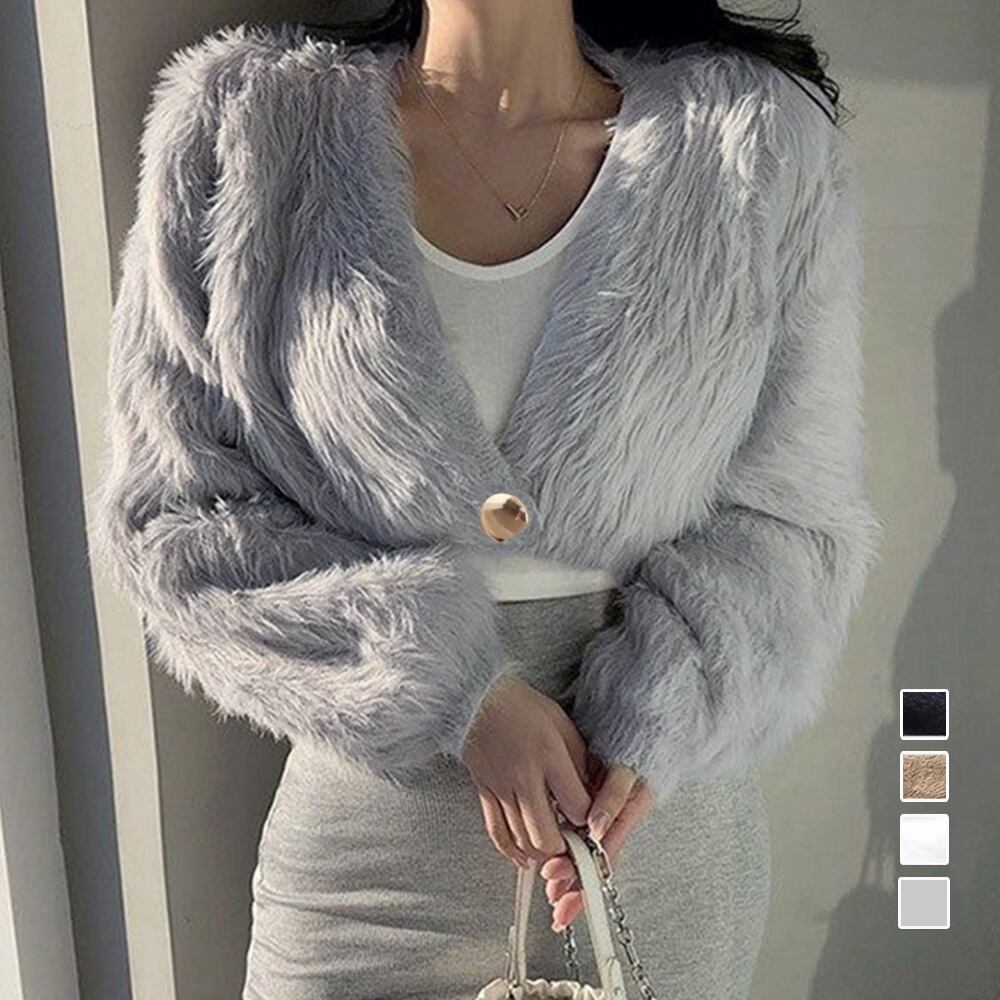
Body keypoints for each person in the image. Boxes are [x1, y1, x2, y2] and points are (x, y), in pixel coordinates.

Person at [92, 1, 882, 997]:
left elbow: (792, 519)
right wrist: (457, 691)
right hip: (368, 865)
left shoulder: (753, 146)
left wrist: (658, 708)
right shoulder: (243, 130)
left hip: (647, 850)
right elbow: (174, 519)